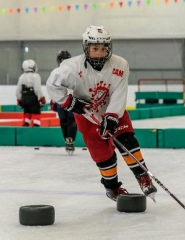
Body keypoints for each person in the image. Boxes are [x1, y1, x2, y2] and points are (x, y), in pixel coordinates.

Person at [46, 25, 157, 202]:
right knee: (102, 154)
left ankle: (143, 176)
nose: (99, 53)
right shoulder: (71, 67)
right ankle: (112, 187)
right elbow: (52, 85)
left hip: (113, 110)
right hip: (87, 116)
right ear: (86, 47)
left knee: (127, 139)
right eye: (95, 48)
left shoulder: (120, 65)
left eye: (104, 48)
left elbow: (119, 93)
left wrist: (112, 116)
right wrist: (69, 102)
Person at [50, 50, 77, 155]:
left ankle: (67, 141)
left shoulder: (56, 71)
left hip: (60, 100)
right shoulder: (74, 70)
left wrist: (53, 99)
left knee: (63, 121)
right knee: (72, 121)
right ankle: (71, 141)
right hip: (72, 100)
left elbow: (52, 87)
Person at [16, 59, 46, 127]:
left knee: (27, 113)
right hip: (33, 97)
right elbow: (37, 89)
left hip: (24, 98)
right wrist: (40, 98)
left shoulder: (22, 76)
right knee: (36, 114)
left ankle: (25, 127)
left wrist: (19, 99)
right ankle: (36, 129)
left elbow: (18, 90)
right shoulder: (36, 76)